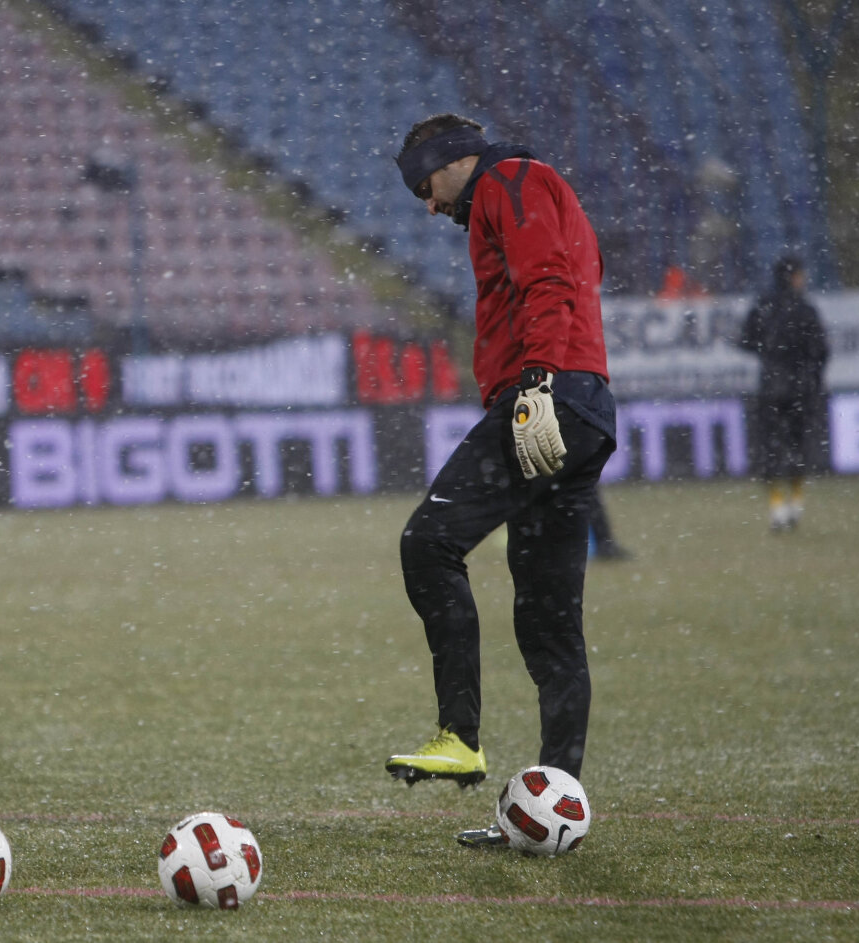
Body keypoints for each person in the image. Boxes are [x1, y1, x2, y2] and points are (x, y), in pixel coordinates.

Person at [385, 114, 616, 844]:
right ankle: (554, 809)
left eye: (425, 187)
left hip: (547, 392)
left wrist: (537, 378)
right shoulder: (533, 184)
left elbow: (546, 275)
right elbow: (577, 270)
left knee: (429, 542)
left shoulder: (506, 180)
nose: (429, 206)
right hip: (585, 402)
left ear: (452, 159)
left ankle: (459, 735)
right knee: (549, 624)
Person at [739, 255, 829, 531]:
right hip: (801, 389)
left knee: (770, 449)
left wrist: (769, 355)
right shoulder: (806, 309)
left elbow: (744, 340)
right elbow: (822, 351)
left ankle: (777, 507)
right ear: (793, 276)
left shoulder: (763, 305)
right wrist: (811, 376)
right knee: (798, 446)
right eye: (800, 274)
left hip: (771, 387)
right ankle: (795, 504)